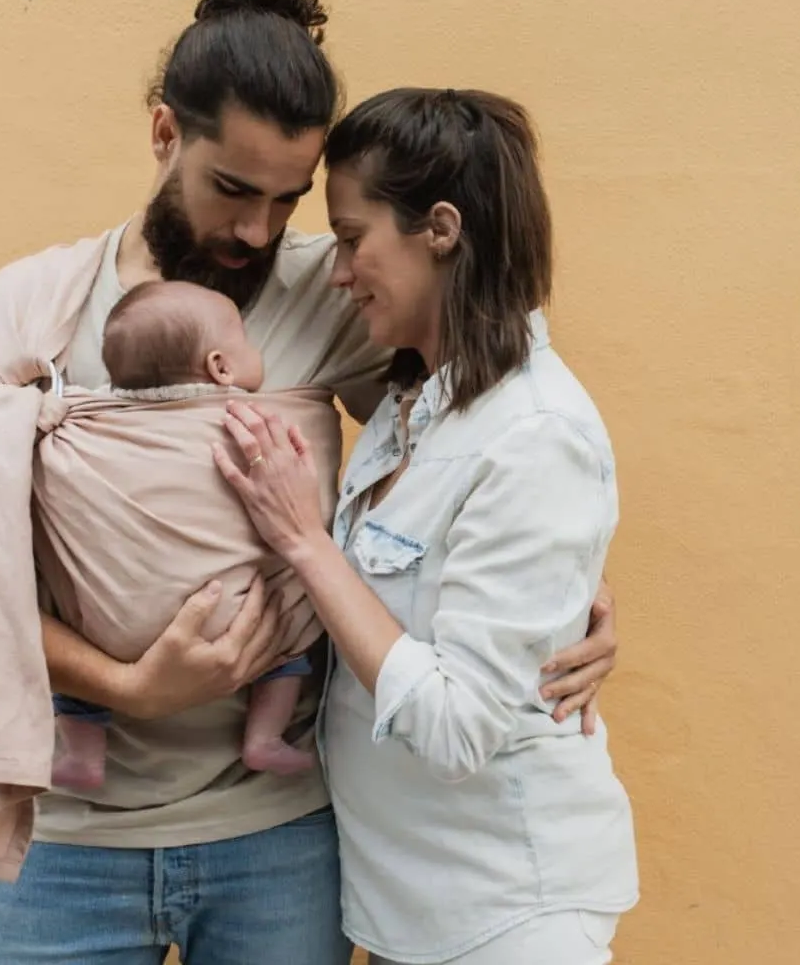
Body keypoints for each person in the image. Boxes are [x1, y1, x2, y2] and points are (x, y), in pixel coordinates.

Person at [0, 0, 619, 965]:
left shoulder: (332, 292)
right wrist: (129, 684)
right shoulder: (26, 313)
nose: (257, 234)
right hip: (67, 837)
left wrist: (563, 607)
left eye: (288, 202)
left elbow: (473, 448)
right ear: (164, 134)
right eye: (232, 190)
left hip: (279, 834)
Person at [214, 87, 639, 965]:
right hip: (418, 912)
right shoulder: (419, 414)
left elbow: (454, 728)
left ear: (439, 229)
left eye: (350, 238)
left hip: (510, 916)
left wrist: (304, 540)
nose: (337, 273)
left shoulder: (536, 433)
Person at [51, 278, 319, 791]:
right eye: (246, 338)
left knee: (74, 616)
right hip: (235, 617)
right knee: (289, 631)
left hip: (110, 630)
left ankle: (83, 752)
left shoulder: (92, 421)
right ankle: (263, 737)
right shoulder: (247, 421)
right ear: (221, 367)